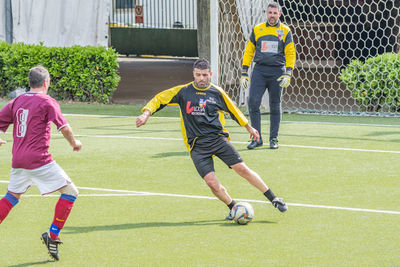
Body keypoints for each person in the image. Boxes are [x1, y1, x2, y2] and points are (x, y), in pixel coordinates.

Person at [136, 59, 287, 220]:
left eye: (205, 75)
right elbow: (160, 98)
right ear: (193, 74)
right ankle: (233, 207)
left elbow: (233, 110)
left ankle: (274, 198)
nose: (201, 78)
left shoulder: (217, 92)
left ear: (211, 74)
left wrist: (248, 127)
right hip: (197, 146)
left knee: (242, 169)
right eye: (198, 75)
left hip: (217, 139)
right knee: (211, 182)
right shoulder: (183, 91)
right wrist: (146, 113)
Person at [0, 66, 82, 261]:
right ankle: (52, 235)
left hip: (18, 160)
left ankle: (52, 236)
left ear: (31, 82)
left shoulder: (17, 101)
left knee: (11, 197)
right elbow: (64, 127)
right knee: (71, 193)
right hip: (39, 160)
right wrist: (74, 143)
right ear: (46, 83)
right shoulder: (47, 101)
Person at [241, 1, 296, 149]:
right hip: (259, 70)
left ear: (280, 14)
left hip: (277, 71)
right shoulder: (258, 29)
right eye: (270, 13)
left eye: (275, 13)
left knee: (275, 104)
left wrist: (288, 73)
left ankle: (274, 139)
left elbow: (290, 53)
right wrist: (244, 72)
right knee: (252, 101)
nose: (272, 16)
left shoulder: (285, 31)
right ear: (266, 13)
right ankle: (257, 139)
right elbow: (249, 51)